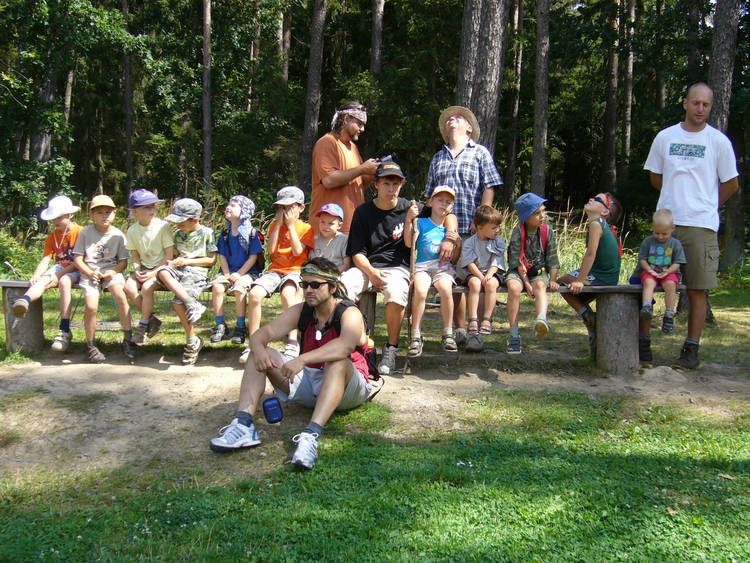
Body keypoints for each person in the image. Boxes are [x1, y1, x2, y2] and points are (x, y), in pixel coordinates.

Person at [210, 258, 372, 470]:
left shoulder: (349, 312)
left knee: (337, 362)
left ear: (333, 287)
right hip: (312, 382)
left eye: (315, 285)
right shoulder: (302, 311)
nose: (308, 290)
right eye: (305, 284)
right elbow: (262, 334)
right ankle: (243, 424)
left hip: (349, 387)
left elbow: (345, 346)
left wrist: (302, 359)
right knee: (257, 354)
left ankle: (310, 436)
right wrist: (259, 350)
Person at [643, 82, 739, 370]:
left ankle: (691, 349)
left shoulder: (718, 142)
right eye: (695, 103)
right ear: (685, 103)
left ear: (710, 107)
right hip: (666, 226)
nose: (700, 109)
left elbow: (731, 184)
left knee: (698, 289)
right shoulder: (665, 137)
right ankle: (643, 344)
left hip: (701, 226)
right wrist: (673, 202)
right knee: (648, 281)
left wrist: (707, 204)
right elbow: (655, 177)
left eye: (706, 105)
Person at [344, 159, 457, 375]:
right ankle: (348, 343)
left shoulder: (411, 207)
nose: (391, 188)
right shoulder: (363, 212)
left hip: (398, 268)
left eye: (395, 184)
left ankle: (391, 349)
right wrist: (371, 272)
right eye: (386, 183)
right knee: (342, 287)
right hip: (367, 267)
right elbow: (356, 252)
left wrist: (450, 238)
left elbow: (446, 212)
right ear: (376, 184)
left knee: (396, 295)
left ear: (401, 185)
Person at [424, 106, 503, 344]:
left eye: (457, 117)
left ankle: (476, 332)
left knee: (476, 277)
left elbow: (489, 186)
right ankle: (459, 330)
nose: (451, 119)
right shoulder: (438, 157)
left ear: (469, 128)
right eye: (448, 118)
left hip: (472, 228)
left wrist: (481, 220)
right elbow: (429, 195)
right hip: (442, 231)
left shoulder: (480, 153)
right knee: (453, 278)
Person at [241, 186, 315, 364]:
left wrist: (290, 226)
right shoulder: (275, 225)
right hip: (275, 270)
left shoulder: (306, 228)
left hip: (296, 270)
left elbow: (297, 251)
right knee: (254, 294)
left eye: (289, 207)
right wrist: (278, 226)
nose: (285, 211)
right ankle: (254, 342)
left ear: (300, 208)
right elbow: (271, 251)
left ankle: (292, 340)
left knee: (288, 294)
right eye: (281, 207)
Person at [12, 195, 83, 353]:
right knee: (43, 280)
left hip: (80, 267)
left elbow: (79, 261)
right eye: (53, 219)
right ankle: (24, 300)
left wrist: (58, 275)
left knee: (64, 281)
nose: (55, 221)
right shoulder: (52, 236)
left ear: (70, 215)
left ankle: (64, 329)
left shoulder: (81, 232)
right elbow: (46, 258)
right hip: (60, 267)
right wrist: (37, 274)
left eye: (59, 217)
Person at [72, 195, 134, 363]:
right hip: (89, 272)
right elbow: (77, 258)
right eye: (99, 212)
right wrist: (89, 272)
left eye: (108, 212)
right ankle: (91, 345)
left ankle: (128, 339)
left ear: (114, 213)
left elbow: (123, 262)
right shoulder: (85, 233)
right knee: (91, 306)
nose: (104, 216)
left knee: (121, 296)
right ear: (91, 215)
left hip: (111, 271)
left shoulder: (118, 235)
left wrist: (113, 272)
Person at [558, 193, 622, 356]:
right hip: (601, 275)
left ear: (605, 211)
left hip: (602, 277)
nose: (592, 199)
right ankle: (588, 316)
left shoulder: (596, 224)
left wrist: (580, 280)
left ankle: (587, 317)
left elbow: (590, 254)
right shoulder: (598, 224)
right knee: (563, 281)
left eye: (598, 200)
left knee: (563, 282)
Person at [159, 198, 217, 365]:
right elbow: (176, 255)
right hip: (179, 271)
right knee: (162, 272)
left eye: (182, 223)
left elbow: (211, 260)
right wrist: (175, 261)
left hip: (196, 273)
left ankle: (192, 340)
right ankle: (192, 304)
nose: (178, 226)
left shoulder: (207, 233)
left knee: (178, 303)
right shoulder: (178, 234)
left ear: (195, 219)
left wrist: (187, 261)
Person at [404, 185, 459, 356]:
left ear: (452, 207)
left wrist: (457, 242)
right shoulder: (421, 222)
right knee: (420, 291)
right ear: (430, 202)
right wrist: (408, 221)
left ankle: (448, 333)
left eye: (448, 202)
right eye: (440, 200)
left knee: (446, 290)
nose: (444, 204)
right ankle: (416, 334)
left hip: (443, 269)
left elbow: (455, 257)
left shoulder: (450, 228)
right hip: (423, 267)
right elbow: (408, 242)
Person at [310, 101, 379, 233]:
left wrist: (373, 173)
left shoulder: (353, 148)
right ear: (346, 119)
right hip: (328, 231)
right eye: (359, 123)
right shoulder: (327, 143)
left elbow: (358, 183)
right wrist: (362, 169)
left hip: (352, 227)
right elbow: (329, 180)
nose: (362, 129)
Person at [505, 193, 560, 354]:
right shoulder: (518, 232)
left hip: (538, 272)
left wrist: (553, 279)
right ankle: (514, 335)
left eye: (543, 211)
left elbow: (553, 259)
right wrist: (526, 283)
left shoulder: (547, 231)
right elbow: (516, 261)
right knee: (514, 287)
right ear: (526, 217)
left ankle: (541, 320)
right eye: (537, 213)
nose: (542, 216)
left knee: (541, 285)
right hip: (518, 272)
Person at [209, 195, 264, 346]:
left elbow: (253, 257)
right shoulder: (225, 233)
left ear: (244, 211)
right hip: (228, 271)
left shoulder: (252, 233)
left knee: (240, 289)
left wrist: (239, 274)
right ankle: (220, 324)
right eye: (228, 204)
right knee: (217, 287)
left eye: (233, 205)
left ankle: (240, 326)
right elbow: (222, 255)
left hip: (247, 272)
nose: (228, 207)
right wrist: (226, 273)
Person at [123, 189, 174, 345]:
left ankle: (143, 325)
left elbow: (169, 256)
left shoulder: (163, 226)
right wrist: (137, 270)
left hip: (163, 269)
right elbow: (135, 256)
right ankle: (152, 319)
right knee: (128, 287)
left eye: (153, 206)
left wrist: (153, 273)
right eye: (146, 207)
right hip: (145, 267)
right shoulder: (132, 230)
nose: (151, 210)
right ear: (134, 212)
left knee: (146, 288)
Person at [457, 205, 507, 353]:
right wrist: (480, 276)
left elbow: (497, 261)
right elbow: (469, 263)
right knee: (474, 283)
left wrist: (489, 275)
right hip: (475, 272)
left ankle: (487, 319)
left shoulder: (498, 241)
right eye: (493, 228)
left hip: (492, 272)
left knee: (491, 285)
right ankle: (473, 319)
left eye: (498, 227)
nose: (497, 230)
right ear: (480, 227)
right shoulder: (469, 242)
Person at [633, 209, 687, 335]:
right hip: (650, 271)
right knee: (648, 282)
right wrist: (649, 270)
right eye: (657, 233)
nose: (660, 237)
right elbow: (642, 259)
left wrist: (668, 271)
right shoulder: (648, 241)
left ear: (672, 228)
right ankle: (646, 307)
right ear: (653, 227)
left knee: (671, 285)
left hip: (669, 272)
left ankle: (669, 314)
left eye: (664, 234)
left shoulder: (675, 244)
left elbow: (677, 262)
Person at [310, 203, 351, 273]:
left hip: (337, 273)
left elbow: (346, 264)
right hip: (316, 274)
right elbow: (311, 262)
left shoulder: (344, 240)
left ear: (339, 225)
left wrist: (330, 274)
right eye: (322, 222)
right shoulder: (314, 240)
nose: (325, 226)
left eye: (331, 223)